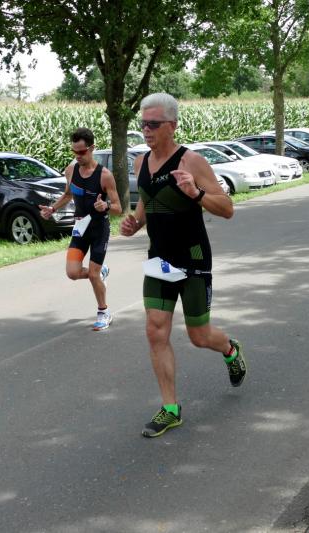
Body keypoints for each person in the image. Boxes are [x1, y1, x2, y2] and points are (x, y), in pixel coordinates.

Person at [119, 93, 246, 438]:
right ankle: (170, 408)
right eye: (143, 124)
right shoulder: (140, 163)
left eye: (153, 124)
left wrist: (196, 194)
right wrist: (134, 223)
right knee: (155, 330)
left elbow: (227, 208)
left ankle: (230, 348)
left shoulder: (192, 161)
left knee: (199, 335)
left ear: (172, 126)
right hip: (159, 261)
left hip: (193, 259)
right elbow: (147, 204)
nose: (146, 130)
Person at [40, 127, 121, 330]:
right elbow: (68, 194)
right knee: (72, 272)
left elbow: (118, 208)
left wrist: (106, 206)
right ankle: (100, 272)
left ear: (92, 148)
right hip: (80, 228)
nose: (78, 156)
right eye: (74, 151)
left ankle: (104, 312)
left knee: (93, 275)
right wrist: (52, 208)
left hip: (99, 230)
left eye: (82, 152)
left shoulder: (105, 175)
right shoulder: (71, 170)